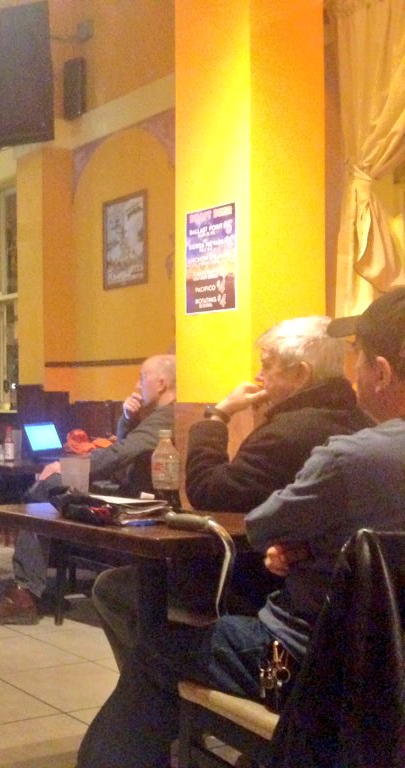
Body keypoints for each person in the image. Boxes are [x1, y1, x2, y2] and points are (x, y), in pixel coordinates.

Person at [76, 288, 405, 768]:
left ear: (382, 373)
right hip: (389, 677)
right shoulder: (352, 437)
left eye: (359, 357)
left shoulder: (349, 457)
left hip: (308, 667)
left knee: (154, 651)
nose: (353, 372)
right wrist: (322, 551)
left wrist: (302, 544)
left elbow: (260, 524)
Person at [92, 317, 373, 666]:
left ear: (301, 375)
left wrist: (217, 415)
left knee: (114, 588)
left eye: (267, 366)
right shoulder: (363, 424)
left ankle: (153, 682)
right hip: (342, 608)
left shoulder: (287, 433)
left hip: (263, 588)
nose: (259, 376)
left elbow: (208, 491)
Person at [0, 354, 176, 625]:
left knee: (45, 490)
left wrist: (66, 466)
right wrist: (127, 418)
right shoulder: (156, 415)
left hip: (138, 500)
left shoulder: (168, 417)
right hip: (124, 488)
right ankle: (30, 587)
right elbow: (123, 449)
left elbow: (120, 453)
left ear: (161, 383)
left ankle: (26, 592)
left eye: (142, 377)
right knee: (46, 489)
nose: (138, 385)